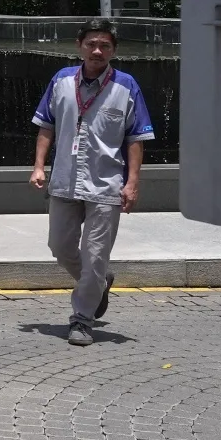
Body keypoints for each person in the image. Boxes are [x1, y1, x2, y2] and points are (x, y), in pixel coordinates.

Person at [30, 17, 155, 346]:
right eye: (91, 44)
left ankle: (82, 319)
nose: (97, 51)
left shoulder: (126, 86)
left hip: (106, 184)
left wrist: (132, 183)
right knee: (59, 247)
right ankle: (99, 281)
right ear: (79, 46)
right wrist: (39, 166)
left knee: (95, 255)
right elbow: (46, 125)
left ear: (113, 50)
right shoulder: (61, 80)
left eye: (105, 46)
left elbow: (136, 139)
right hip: (64, 180)